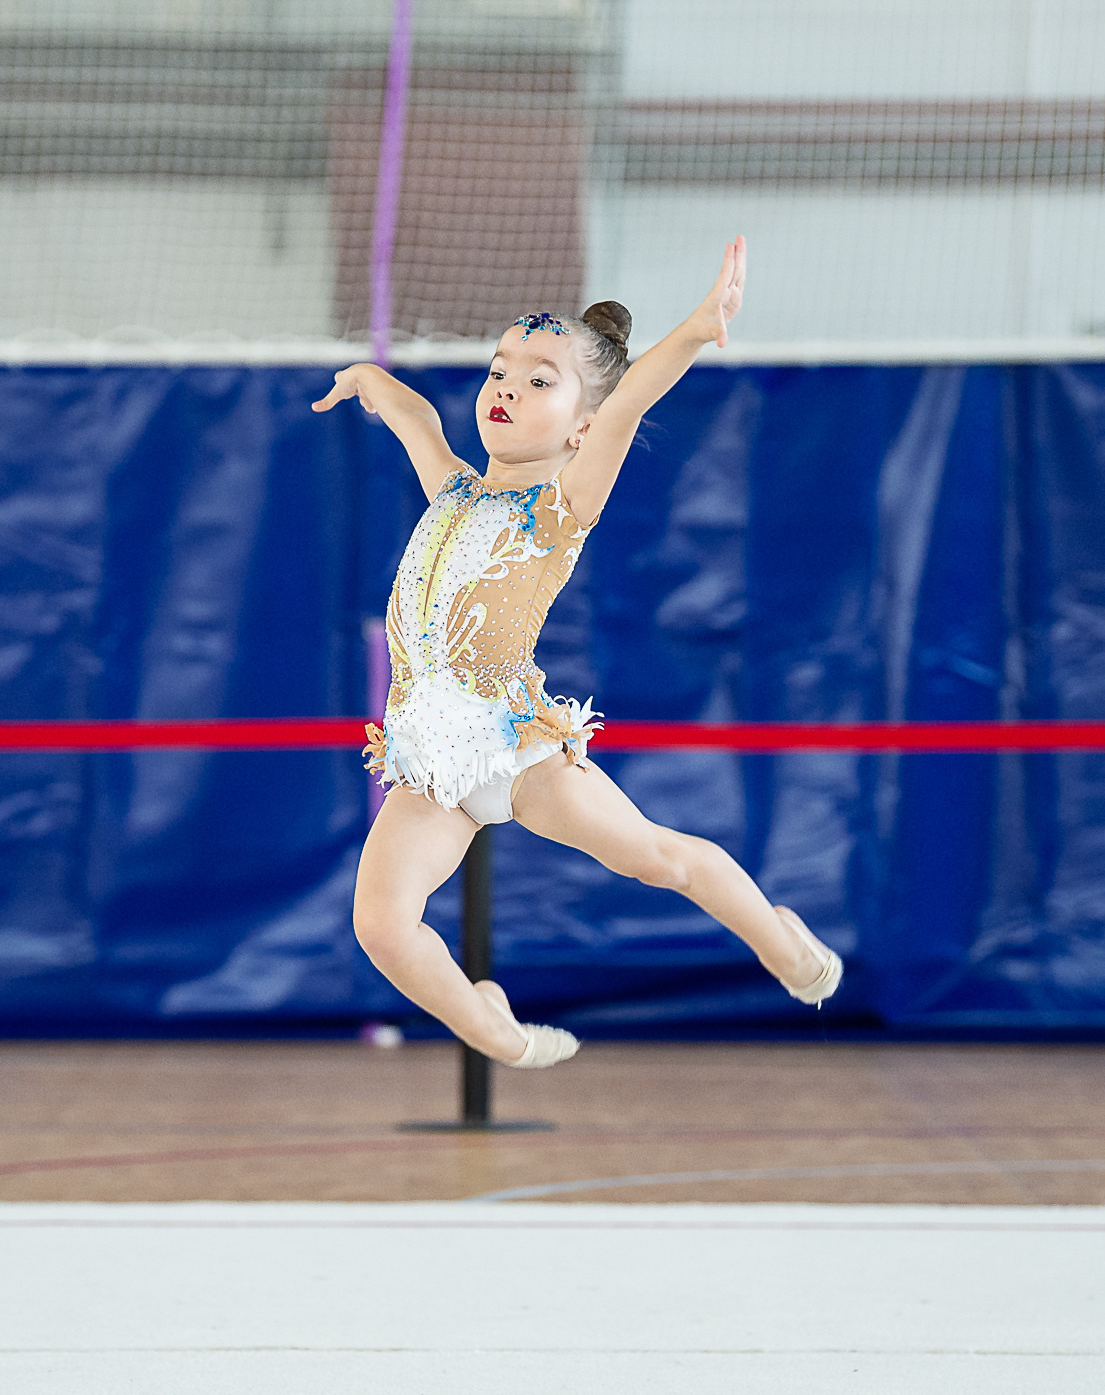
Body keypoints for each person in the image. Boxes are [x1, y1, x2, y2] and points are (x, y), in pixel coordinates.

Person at [312, 237, 839, 1069]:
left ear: (582, 423)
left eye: (538, 381)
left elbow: (630, 403)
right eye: (498, 370)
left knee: (657, 859)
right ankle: (496, 1029)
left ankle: (786, 946)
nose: (506, 388)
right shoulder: (453, 486)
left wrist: (699, 329)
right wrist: (373, 382)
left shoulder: (561, 505)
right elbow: (417, 419)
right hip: (429, 766)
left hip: (521, 750)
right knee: (379, 925)